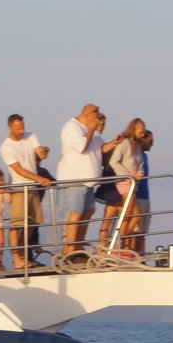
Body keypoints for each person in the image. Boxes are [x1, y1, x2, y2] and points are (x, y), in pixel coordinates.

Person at [0, 114, 49, 269]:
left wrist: (43, 153)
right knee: (17, 224)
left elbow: (39, 152)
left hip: (32, 187)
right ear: (10, 127)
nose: (21, 131)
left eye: (22, 128)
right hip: (19, 188)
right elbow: (18, 169)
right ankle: (16, 257)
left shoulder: (31, 136)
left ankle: (21, 254)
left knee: (33, 222)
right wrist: (39, 178)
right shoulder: (5, 147)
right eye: (18, 128)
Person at [55, 104, 104, 257]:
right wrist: (91, 130)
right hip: (75, 179)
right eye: (96, 117)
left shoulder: (93, 132)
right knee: (75, 213)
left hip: (88, 180)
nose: (98, 121)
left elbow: (101, 149)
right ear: (89, 114)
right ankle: (69, 251)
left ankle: (78, 246)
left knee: (89, 210)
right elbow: (82, 147)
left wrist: (115, 143)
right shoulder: (72, 127)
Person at [98, 117, 146, 249]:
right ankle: (122, 245)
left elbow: (139, 163)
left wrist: (139, 174)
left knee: (135, 215)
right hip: (125, 182)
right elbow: (114, 161)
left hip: (133, 183)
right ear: (134, 129)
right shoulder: (125, 143)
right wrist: (128, 175)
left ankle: (123, 242)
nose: (143, 134)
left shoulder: (137, 146)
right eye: (141, 131)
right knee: (128, 215)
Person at [128, 129, 153, 254]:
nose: (152, 144)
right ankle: (132, 252)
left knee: (143, 229)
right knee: (136, 228)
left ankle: (141, 253)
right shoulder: (136, 155)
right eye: (150, 141)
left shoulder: (145, 156)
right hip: (137, 194)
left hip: (145, 195)